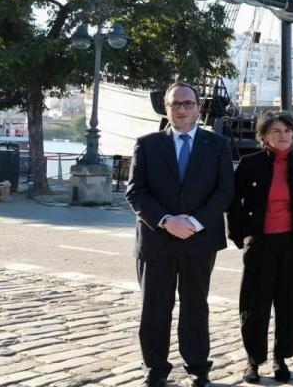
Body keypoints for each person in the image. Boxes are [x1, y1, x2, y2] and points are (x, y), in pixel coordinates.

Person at [125, 82, 234, 387]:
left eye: (188, 104)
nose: (182, 109)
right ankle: (155, 369)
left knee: (195, 306)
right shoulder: (147, 144)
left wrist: (195, 222)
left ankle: (198, 367)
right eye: (176, 104)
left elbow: (225, 191)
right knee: (154, 308)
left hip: (199, 240)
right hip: (156, 239)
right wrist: (165, 221)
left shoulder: (218, 145)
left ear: (199, 108)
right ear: (166, 108)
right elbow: (135, 192)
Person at [228, 111, 293, 384]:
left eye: (287, 131)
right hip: (260, 242)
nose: (283, 135)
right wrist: (240, 235)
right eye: (276, 131)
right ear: (264, 136)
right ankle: (253, 359)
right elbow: (233, 201)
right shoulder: (250, 164)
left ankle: (281, 356)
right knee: (255, 303)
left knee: (290, 302)